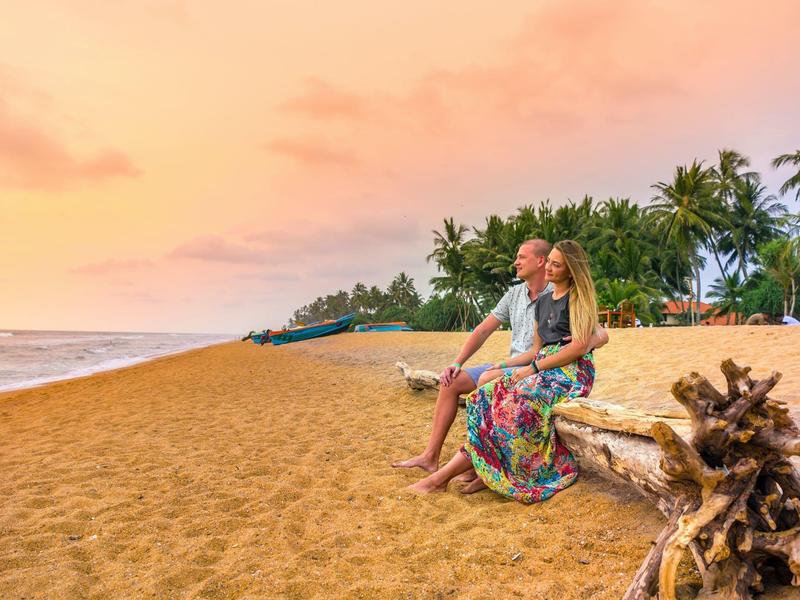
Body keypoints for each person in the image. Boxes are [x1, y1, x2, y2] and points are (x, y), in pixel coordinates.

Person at [408, 240, 600, 502]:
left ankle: (445, 477)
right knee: (482, 396)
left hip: (568, 372)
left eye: (557, 265)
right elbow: (534, 349)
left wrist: (532, 369)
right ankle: (476, 466)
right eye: (551, 263)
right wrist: (504, 365)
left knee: (514, 404)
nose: (550, 269)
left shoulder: (577, 298)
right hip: (540, 364)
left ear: (570, 270)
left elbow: (582, 344)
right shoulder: (542, 303)